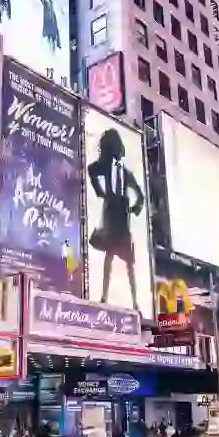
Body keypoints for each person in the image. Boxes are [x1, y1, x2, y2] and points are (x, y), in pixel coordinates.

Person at [87, 127, 145, 312]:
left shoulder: (126, 173)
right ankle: (104, 297)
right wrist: (101, 192)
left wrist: (133, 209)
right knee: (109, 256)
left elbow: (141, 196)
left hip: (122, 214)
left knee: (128, 261)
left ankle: (135, 302)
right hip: (112, 213)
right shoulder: (104, 167)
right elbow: (91, 170)